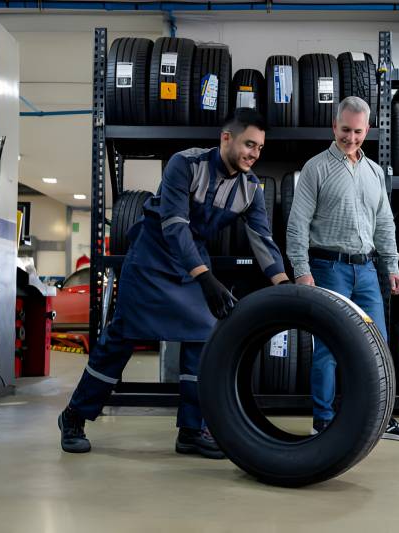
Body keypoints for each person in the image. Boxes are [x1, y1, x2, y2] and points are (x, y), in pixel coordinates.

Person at [58, 108, 289, 458]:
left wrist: (285, 285)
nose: (254, 154)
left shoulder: (250, 188)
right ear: (226, 138)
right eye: (248, 144)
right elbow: (174, 223)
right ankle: (74, 415)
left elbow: (263, 240)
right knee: (121, 338)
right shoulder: (186, 163)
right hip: (152, 255)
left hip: (192, 261)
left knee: (203, 339)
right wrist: (206, 279)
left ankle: (191, 431)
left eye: (259, 148)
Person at [286, 96, 399, 441]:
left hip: (367, 272)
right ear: (335, 126)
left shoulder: (374, 172)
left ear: (367, 130)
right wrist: (301, 270)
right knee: (328, 347)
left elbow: (385, 223)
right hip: (329, 268)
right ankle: (323, 421)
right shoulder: (316, 168)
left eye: (358, 132)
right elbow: (297, 224)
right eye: (345, 130)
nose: (351, 138)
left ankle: (379, 418)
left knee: (377, 346)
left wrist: (391, 265)